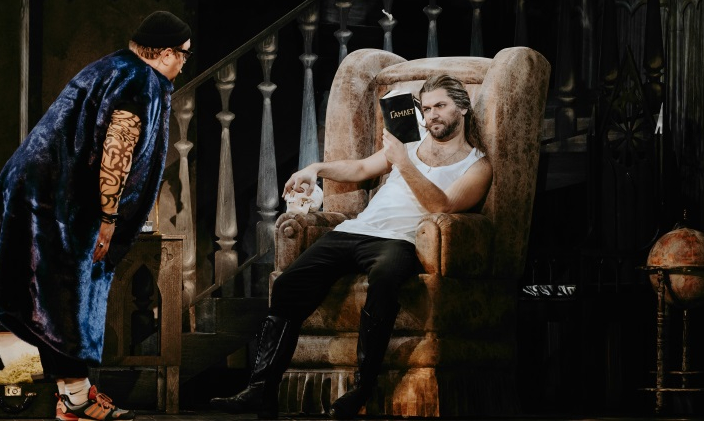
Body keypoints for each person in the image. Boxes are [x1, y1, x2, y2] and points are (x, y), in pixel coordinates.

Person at [210, 74, 493, 420]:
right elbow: (360, 168)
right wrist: (315, 168)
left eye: (441, 106)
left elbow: (444, 206)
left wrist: (404, 163)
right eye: (428, 107)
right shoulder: (411, 141)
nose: (432, 115)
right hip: (357, 230)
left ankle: (362, 389)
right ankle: (261, 390)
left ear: (462, 108)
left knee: (385, 281)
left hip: (401, 241)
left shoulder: (477, 165)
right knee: (287, 285)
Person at [0, 11, 192, 421]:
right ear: (164, 53)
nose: (183, 63)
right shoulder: (143, 81)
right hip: (54, 197)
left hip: (36, 187)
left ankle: (73, 398)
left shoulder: (112, 66)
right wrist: (109, 218)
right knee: (67, 300)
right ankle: (77, 399)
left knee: (50, 301)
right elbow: (117, 148)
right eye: (183, 54)